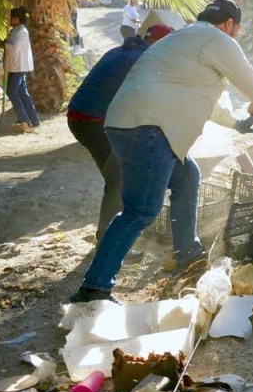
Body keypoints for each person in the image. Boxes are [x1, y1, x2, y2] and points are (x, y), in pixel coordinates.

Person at [71, 0, 253, 303]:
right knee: (139, 211)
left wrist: (237, 124)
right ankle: (95, 286)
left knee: (187, 176)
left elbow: (202, 100)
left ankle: (188, 255)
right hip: (150, 130)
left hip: (124, 124)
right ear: (229, 24)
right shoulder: (218, 40)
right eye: (236, 29)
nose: (235, 35)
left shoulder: (183, 37)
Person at [67, 24, 174, 243]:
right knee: (119, 178)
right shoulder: (144, 59)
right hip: (93, 121)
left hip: (78, 116)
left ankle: (113, 233)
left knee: (118, 174)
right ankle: (108, 239)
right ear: (160, 43)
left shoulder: (121, 51)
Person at [3, 7, 40, 132]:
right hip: (17, 66)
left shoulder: (22, 31)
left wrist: (3, 44)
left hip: (20, 66)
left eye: (10, 18)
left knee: (11, 91)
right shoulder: (15, 30)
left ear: (16, 19)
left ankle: (24, 119)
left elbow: (14, 47)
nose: (7, 21)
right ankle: (33, 119)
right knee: (22, 92)